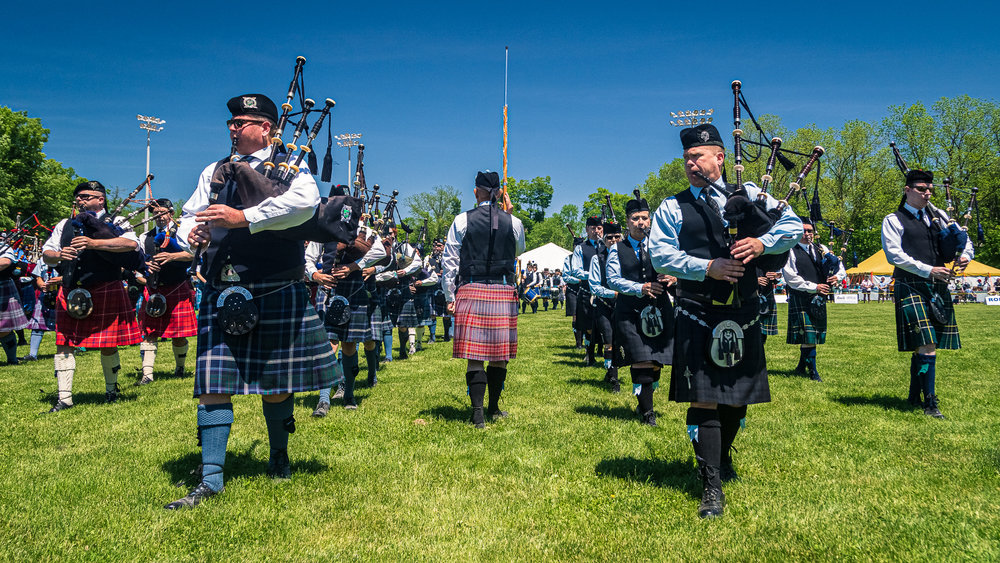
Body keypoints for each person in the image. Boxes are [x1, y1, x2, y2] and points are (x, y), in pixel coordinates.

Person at [165, 93, 340, 509]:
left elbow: (304, 206)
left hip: (276, 285)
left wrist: (243, 218)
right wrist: (192, 233)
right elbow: (192, 211)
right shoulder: (215, 170)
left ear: (267, 128)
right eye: (231, 121)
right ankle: (210, 478)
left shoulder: (292, 168)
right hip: (221, 287)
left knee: (275, 385)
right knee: (213, 382)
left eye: (242, 121)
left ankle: (279, 457)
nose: (233, 127)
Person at [648, 123, 802, 519]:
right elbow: (661, 256)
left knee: (736, 398)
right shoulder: (672, 206)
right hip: (697, 308)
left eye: (697, 157)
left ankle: (724, 454)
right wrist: (707, 267)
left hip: (744, 308)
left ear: (719, 157)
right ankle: (711, 485)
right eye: (685, 158)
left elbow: (793, 227)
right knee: (705, 398)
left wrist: (762, 242)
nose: (690, 164)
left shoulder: (750, 194)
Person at [41, 181, 143, 411]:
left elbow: (131, 245)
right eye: (78, 196)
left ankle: (111, 390)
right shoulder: (65, 224)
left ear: (101, 199)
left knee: (108, 344)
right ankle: (64, 398)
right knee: (63, 342)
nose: (80, 199)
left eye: (86, 196)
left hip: (105, 285)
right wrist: (59, 254)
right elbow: (46, 253)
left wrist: (94, 243)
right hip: (71, 288)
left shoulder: (117, 221)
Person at [881, 169, 972, 419]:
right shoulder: (894, 219)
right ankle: (930, 402)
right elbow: (894, 255)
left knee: (924, 344)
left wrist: (965, 256)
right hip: (910, 283)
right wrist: (928, 269)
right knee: (927, 343)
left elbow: (964, 240)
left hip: (938, 285)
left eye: (930, 189)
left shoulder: (940, 215)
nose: (927, 193)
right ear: (907, 190)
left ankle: (914, 393)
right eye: (921, 189)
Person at [441, 171, 525, 428]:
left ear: (476, 192)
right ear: (499, 193)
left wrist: (449, 294)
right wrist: (509, 216)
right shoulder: (515, 222)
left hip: (470, 288)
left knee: (475, 355)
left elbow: (449, 262)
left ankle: (478, 414)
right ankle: (494, 407)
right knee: (499, 355)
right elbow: (519, 251)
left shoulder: (461, 220)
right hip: (502, 289)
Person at [306, 185, 387, 414]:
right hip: (328, 289)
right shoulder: (322, 228)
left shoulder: (363, 230)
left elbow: (380, 252)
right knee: (328, 345)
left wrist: (355, 266)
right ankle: (324, 399)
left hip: (353, 290)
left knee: (350, 345)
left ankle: (349, 393)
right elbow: (308, 257)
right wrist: (316, 275)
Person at [607, 194, 676, 425]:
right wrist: (640, 287)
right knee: (642, 358)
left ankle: (642, 402)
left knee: (656, 361)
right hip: (631, 312)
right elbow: (613, 280)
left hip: (660, 309)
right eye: (636, 218)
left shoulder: (661, 246)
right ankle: (648, 412)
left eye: (645, 218)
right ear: (628, 222)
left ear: (650, 220)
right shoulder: (617, 249)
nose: (641, 222)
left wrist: (673, 277)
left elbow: (678, 267)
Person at [136, 198, 196, 385]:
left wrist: (172, 256)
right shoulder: (145, 236)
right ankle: (147, 374)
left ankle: (180, 368)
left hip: (178, 285)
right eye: (155, 214)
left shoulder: (182, 232)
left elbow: (194, 254)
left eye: (162, 212)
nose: (159, 216)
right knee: (149, 332)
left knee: (179, 334)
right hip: (153, 288)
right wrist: (145, 272)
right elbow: (138, 262)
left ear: (171, 213)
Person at [781, 218, 845, 382]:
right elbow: (790, 278)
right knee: (809, 336)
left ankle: (801, 367)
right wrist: (814, 287)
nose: (807, 234)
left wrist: (836, 277)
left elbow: (839, 267)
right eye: (804, 231)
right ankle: (813, 372)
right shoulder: (789, 250)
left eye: (810, 231)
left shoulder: (821, 248)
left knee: (811, 335)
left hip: (819, 297)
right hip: (802, 295)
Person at [589, 221, 621, 391]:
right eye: (610, 237)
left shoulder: (626, 256)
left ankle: (610, 372)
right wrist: (614, 294)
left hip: (623, 306)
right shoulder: (597, 258)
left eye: (617, 237)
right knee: (609, 341)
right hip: (604, 305)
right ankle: (614, 380)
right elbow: (594, 286)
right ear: (604, 239)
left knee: (620, 341)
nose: (614, 240)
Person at [568, 218, 604, 365]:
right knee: (588, 326)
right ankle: (589, 354)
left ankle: (605, 352)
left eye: (599, 228)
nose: (596, 231)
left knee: (604, 325)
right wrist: (594, 275)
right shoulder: (580, 248)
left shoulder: (608, 247)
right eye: (593, 228)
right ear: (587, 229)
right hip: (587, 292)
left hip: (605, 293)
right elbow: (576, 271)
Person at [0, 243, 31, 364]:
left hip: (2, 285)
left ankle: (12, 359)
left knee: (4, 329)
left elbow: (6, 262)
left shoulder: (3, 245)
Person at [757, 267, 781, 345]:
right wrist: (754, 280)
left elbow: (780, 274)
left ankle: (760, 354)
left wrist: (776, 275)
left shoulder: (770, 257)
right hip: (749, 296)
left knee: (763, 333)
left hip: (766, 296)